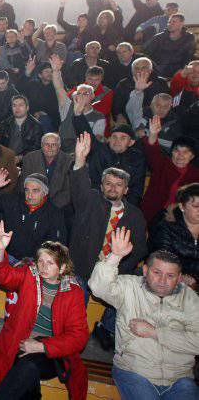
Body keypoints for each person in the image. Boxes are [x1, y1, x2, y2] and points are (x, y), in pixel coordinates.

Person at [89, 232, 199, 399]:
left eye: (170, 276)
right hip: (135, 373)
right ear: (146, 271)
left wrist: (155, 333)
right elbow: (98, 287)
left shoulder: (189, 298)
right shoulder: (130, 286)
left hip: (180, 379)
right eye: (156, 272)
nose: (162, 280)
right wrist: (115, 256)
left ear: (179, 278)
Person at [0, 223, 89, 400]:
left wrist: (42, 346)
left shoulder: (73, 292)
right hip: (21, 344)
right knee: (23, 366)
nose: (43, 267)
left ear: (63, 268)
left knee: (26, 365)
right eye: (41, 261)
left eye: (50, 263)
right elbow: (3, 277)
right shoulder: (29, 275)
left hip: (53, 352)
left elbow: (79, 337)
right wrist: (0, 249)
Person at [71, 132, 148, 351]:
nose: (113, 188)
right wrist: (80, 159)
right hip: (83, 268)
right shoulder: (91, 201)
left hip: (114, 270)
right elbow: (78, 187)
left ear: (126, 189)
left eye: (118, 185)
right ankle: (75, 332)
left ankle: (105, 327)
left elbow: (140, 248)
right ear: (102, 185)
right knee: (78, 289)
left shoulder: (135, 215)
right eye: (108, 183)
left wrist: (119, 268)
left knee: (132, 288)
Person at [0, 170, 67, 324]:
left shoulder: (54, 213)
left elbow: (55, 247)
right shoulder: (13, 201)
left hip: (35, 260)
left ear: (45, 193)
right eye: (27, 190)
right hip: (9, 255)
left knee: (33, 283)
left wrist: (31, 262)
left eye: (35, 190)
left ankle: (24, 322)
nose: (30, 194)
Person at [72, 116, 147, 207]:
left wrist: (124, 211)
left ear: (131, 142)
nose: (117, 141)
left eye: (123, 138)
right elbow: (85, 133)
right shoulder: (99, 151)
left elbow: (136, 191)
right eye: (114, 137)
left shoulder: (138, 159)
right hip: (95, 203)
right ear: (109, 139)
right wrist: (78, 114)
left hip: (123, 206)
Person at [142, 117, 199, 224]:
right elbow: (152, 151)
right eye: (176, 150)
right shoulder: (162, 164)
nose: (180, 155)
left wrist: (176, 208)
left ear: (192, 156)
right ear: (171, 152)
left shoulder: (195, 174)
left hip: (180, 219)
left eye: (186, 152)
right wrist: (153, 134)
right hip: (152, 216)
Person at [152, 183, 199, 289]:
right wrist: (180, 276)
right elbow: (163, 257)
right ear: (182, 206)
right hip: (168, 280)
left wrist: (195, 278)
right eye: (196, 206)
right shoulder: (167, 227)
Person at [18, 133, 73, 209]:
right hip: (34, 203)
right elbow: (24, 185)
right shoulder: (29, 159)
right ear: (41, 145)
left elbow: (68, 190)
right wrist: (38, 204)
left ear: (59, 146)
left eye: (53, 144)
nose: (50, 147)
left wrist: (52, 207)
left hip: (60, 206)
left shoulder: (69, 161)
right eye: (46, 144)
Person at [113, 57, 169, 125]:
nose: (139, 71)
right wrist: (119, 115)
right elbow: (116, 105)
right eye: (136, 68)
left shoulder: (161, 83)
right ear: (132, 71)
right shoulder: (123, 84)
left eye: (143, 68)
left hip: (155, 119)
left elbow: (166, 104)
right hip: (129, 119)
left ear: (150, 70)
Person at [144, 13, 197, 78]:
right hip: (159, 69)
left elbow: (189, 56)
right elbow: (147, 54)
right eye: (169, 22)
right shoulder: (158, 37)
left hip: (180, 69)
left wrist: (183, 70)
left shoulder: (189, 37)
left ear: (181, 23)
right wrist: (154, 69)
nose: (170, 24)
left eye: (174, 22)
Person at [0, 94, 43, 162]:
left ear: (27, 108)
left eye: (21, 105)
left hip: (27, 160)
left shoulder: (36, 126)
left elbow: (36, 148)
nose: (17, 108)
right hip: (6, 158)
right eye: (14, 105)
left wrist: (20, 158)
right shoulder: (4, 124)